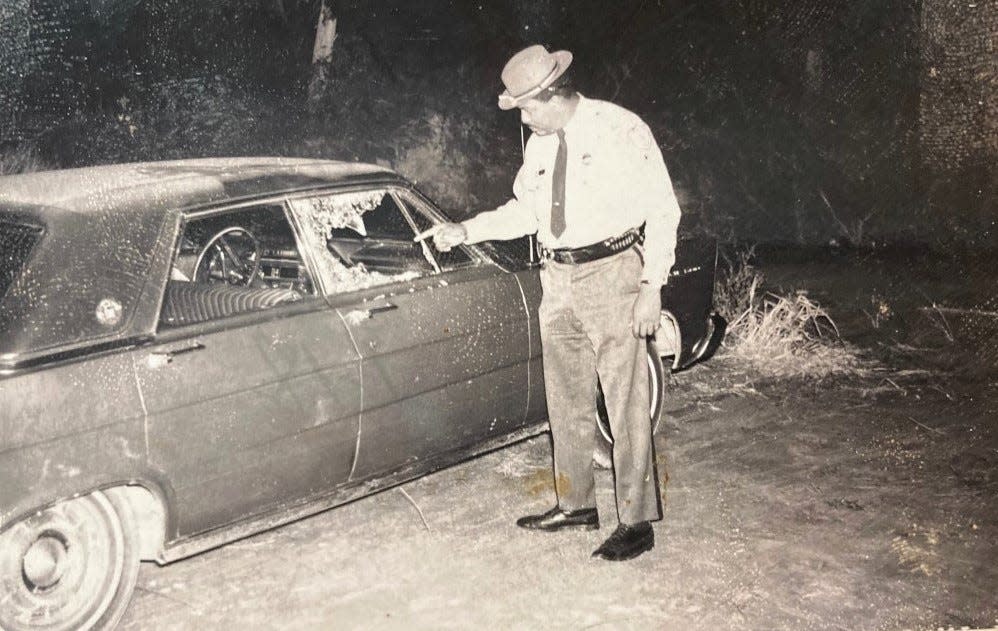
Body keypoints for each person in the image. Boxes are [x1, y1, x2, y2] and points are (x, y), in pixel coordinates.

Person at [416, 44, 681, 561]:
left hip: (613, 273)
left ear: (551, 94)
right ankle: (576, 503)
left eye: (526, 107)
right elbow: (526, 212)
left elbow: (663, 209)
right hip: (557, 278)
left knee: (624, 400)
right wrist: (464, 228)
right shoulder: (537, 144)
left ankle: (637, 520)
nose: (523, 117)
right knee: (565, 397)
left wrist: (652, 286)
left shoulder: (620, 129)